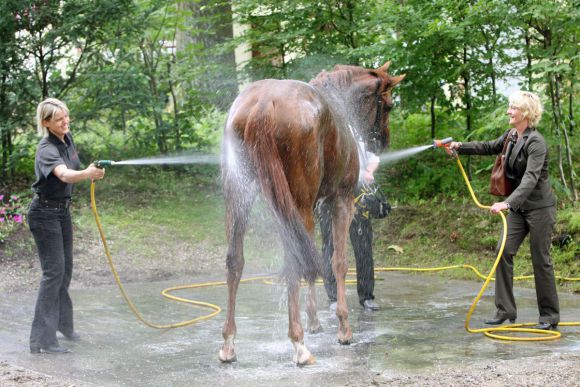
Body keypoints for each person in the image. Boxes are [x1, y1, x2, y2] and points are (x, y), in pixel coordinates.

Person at [446, 90, 559, 331]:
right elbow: (488, 146)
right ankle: (505, 310)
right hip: (519, 209)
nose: (508, 111)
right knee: (503, 251)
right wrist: (459, 146)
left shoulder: (536, 142)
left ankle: (549, 317)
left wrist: (507, 203)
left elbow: (530, 179)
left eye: (512, 108)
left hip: (540, 208)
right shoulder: (511, 136)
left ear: (525, 113)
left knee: (541, 260)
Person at [28, 98, 105, 354]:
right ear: (46, 123)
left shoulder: (66, 138)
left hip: (61, 213)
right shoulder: (46, 149)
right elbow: (63, 174)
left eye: (66, 117)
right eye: (60, 119)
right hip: (44, 215)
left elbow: (74, 168)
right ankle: (42, 340)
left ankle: (64, 325)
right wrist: (86, 174)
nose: (66, 122)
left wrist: (94, 169)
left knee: (65, 270)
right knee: (53, 274)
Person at [320, 140, 384, 311]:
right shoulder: (324, 133)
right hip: (329, 198)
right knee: (330, 246)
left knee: (363, 247)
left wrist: (369, 171)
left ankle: (366, 297)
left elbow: (373, 158)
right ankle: (334, 297)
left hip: (358, 197)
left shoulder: (354, 134)